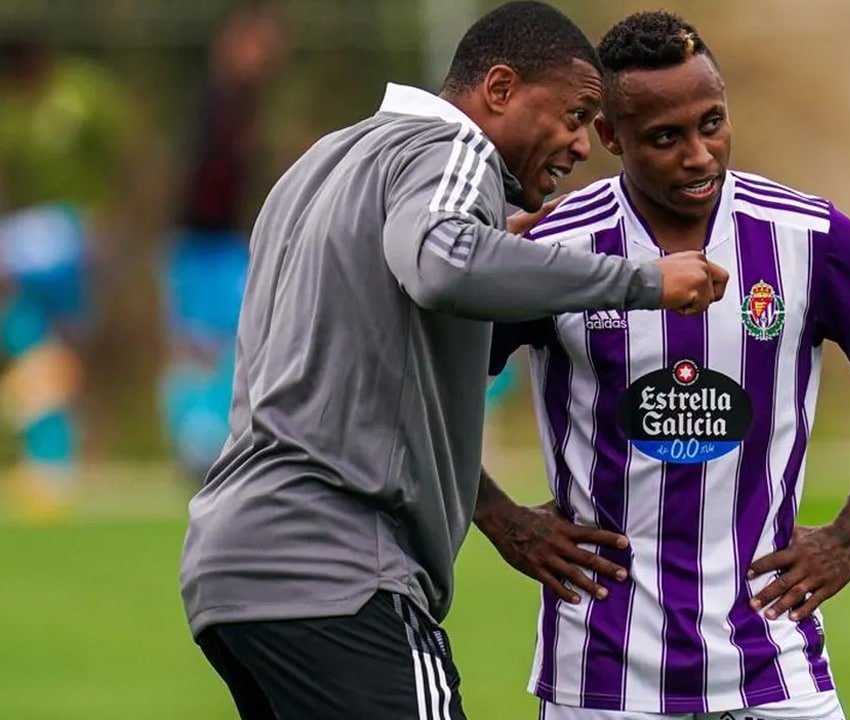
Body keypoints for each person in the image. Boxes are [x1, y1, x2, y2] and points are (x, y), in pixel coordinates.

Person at [179, 3, 727, 719]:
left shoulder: (320, 165)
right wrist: (645, 282)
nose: (581, 144)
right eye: (573, 114)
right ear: (498, 90)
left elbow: (384, 313)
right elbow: (440, 264)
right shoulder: (453, 149)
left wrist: (497, 240)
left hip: (231, 569)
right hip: (342, 572)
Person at [479, 12, 850, 720]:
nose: (699, 155)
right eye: (666, 137)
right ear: (611, 137)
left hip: (775, 663)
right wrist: (504, 520)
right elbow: (426, 391)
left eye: (712, 123)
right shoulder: (553, 248)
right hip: (602, 676)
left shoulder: (807, 237)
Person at [0, 37, 130, 520]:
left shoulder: (82, 92)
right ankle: (49, 459)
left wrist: (110, 222)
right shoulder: (13, 111)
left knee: (68, 349)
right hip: (32, 237)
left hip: (76, 233)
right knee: (36, 348)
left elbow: (120, 155)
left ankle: (66, 455)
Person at [160, 4, 286, 481]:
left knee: (243, 338)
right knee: (201, 345)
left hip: (227, 244)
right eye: (259, 43)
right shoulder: (215, 104)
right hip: (199, 244)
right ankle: (196, 444)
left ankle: (225, 438)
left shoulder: (245, 106)